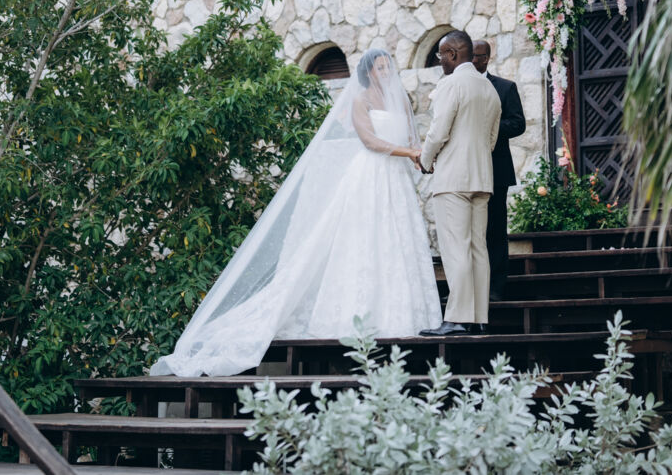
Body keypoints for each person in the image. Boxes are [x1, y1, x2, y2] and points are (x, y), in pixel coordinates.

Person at [150, 48, 442, 377]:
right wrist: (408, 152)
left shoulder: (399, 98)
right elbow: (370, 141)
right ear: (368, 73)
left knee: (396, 241)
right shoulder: (360, 100)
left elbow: (411, 136)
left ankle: (399, 312)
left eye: (388, 66)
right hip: (371, 174)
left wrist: (418, 156)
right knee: (363, 240)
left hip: (397, 179)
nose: (386, 72)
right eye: (380, 68)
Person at [418, 30, 501, 336]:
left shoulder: (451, 84)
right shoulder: (488, 88)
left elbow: (438, 131)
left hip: (453, 177)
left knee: (456, 249)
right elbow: (491, 139)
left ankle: (456, 318)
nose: (440, 61)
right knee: (478, 248)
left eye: (440, 55)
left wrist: (425, 160)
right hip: (482, 177)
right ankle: (478, 317)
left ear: (453, 54)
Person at [472, 40, 526, 301]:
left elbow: (518, 124)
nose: (471, 61)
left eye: (476, 56)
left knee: (494, 228)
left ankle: (495, 287)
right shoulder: (456, 86)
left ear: (486, 58)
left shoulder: (505, 87)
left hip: (496, 169)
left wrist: (489, 127)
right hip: (467, 169)